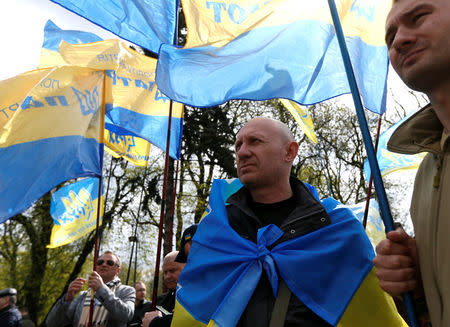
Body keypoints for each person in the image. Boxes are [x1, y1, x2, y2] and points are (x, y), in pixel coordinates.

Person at [170, 117, 406, 327]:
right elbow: (193, 309)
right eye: (238, 144)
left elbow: (370, 311)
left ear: (290, 152)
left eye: (255, 142)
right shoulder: (216, 229)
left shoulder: (336, 227)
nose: (242, 152)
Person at [373, 0, 450, 326]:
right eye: (390, 37)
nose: (400, 40)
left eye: (419, 17)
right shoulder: (427, 172)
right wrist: (419, 288)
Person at [46, 250, 135, 327]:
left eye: (110, 263)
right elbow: (52, 323)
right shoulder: (83, 295)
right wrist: (67, 299)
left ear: (118, 270)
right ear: (96, 267)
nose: (104, 265)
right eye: (100, 262)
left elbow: (127, 315)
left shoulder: (127, 291)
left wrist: (102, 289)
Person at [143, 225, 198, 327]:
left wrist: (157, 322)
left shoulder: (196, 295)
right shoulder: (158, 301)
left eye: (172, 271)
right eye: (165, 272)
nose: (167, 276)